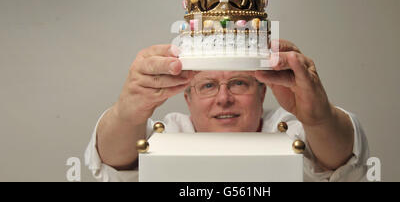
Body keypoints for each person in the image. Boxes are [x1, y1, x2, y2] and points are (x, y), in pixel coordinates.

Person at [85, 39, 369, 181]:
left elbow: (340, 164)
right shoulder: (169, 133)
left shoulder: (288, 130)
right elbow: (115, 165)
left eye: (238, 83)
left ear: (263, 92)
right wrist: (126, 113)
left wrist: (319, 119)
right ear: (187, 98)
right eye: (208, 86)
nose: (223, 99)